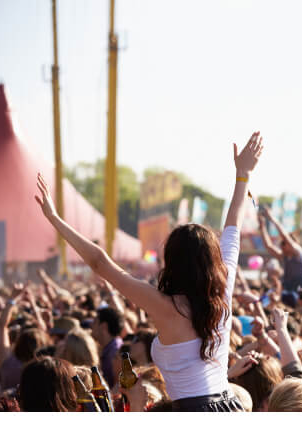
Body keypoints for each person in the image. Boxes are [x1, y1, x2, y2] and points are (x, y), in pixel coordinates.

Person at [34, 131, 264, 411]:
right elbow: (233, 227)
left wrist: (54, 219)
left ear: (172, 262)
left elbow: (100, 263)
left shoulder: (165, 305)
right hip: (229, 407)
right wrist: (243, 176)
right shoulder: (222, 289)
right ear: (212, 260)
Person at [258, 206, 302, 301]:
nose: (281, 246)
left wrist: (271, 218)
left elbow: (285, 236)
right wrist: (262, 227)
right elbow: (269, 246)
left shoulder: (298, 252)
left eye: (283, 244)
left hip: (300, 287)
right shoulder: (284, 255)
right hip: (288, 287)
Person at [91, 307, 123, 387]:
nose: (91, 326)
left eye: (95, 322)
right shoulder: (110, 348)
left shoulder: (115, 352)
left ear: (103, 326)